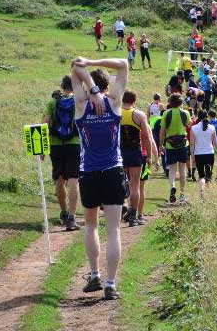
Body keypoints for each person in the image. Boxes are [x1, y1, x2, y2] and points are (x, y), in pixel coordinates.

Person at [70, 56, 129, 300]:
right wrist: (95, 61)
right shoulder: (115, 102)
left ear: (88, 85)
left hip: (88, 172)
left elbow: (75, 67)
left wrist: (90, 89)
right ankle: (111, 284)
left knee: (91, 224)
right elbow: (124, 63)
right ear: (108, 86)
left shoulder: (81, 105)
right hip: (113, 170)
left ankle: (94, 274)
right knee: (113, 230)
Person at [44, 76, 81, 231]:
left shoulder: (53, 102)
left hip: (55, 144)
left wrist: (43, 149)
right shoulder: (78, 101)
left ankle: (64, 212)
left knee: (59, 179)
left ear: (62, 86)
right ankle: (72, 218)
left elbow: (45, 123)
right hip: (74, 143)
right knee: (73, 180)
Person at [119, 90, 155, 227]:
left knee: (122, 183)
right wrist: (150, 156)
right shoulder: (139, 115)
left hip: (120, 152)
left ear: (123, 99)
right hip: (135, 152)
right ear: (134, 100)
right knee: (135, 186)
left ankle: (123, 207)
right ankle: (133, 216)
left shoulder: (116, 113)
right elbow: (146, 136)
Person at [159, 93, 190, 204]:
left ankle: (172, 187)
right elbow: (189, 124)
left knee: (172, 170)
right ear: (181, 102)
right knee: (182, 170)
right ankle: (182, 194)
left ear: (170, 102)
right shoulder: (185, 113)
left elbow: (162, 132)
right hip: (182, 145)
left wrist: (160, 146)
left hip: (170, 145)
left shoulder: (166, 114)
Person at [189, 110, 217, 200]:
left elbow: (192, 144)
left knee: (201, 175)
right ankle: (208, 193)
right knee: (208, 175)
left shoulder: (193, 128)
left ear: (198, 117)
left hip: (198, 154)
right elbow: (215, 143)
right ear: (207, 116)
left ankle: (202, 190)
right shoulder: (212, 128)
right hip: (209, 153)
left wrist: (193, 156)